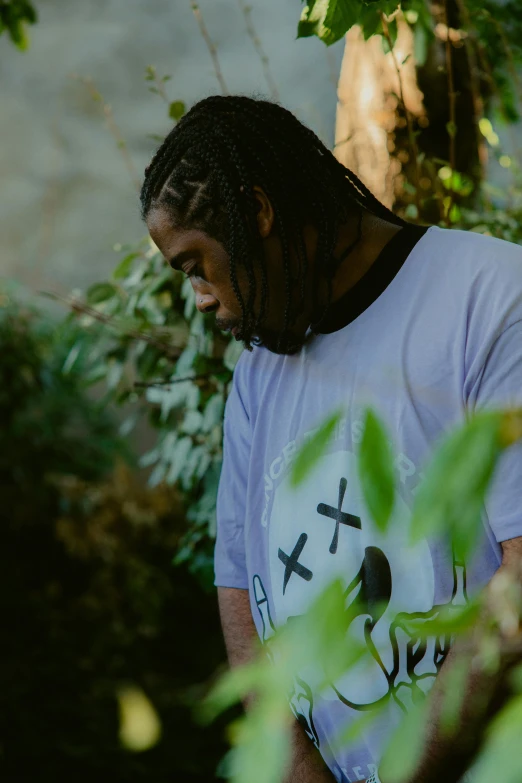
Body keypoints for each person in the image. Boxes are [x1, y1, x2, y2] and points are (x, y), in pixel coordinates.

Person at [141, 95, 522, 783]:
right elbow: (239, 587)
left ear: (257, 213)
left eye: (196, 262)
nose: (198, 295)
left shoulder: (490, 297)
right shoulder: (259, 375)